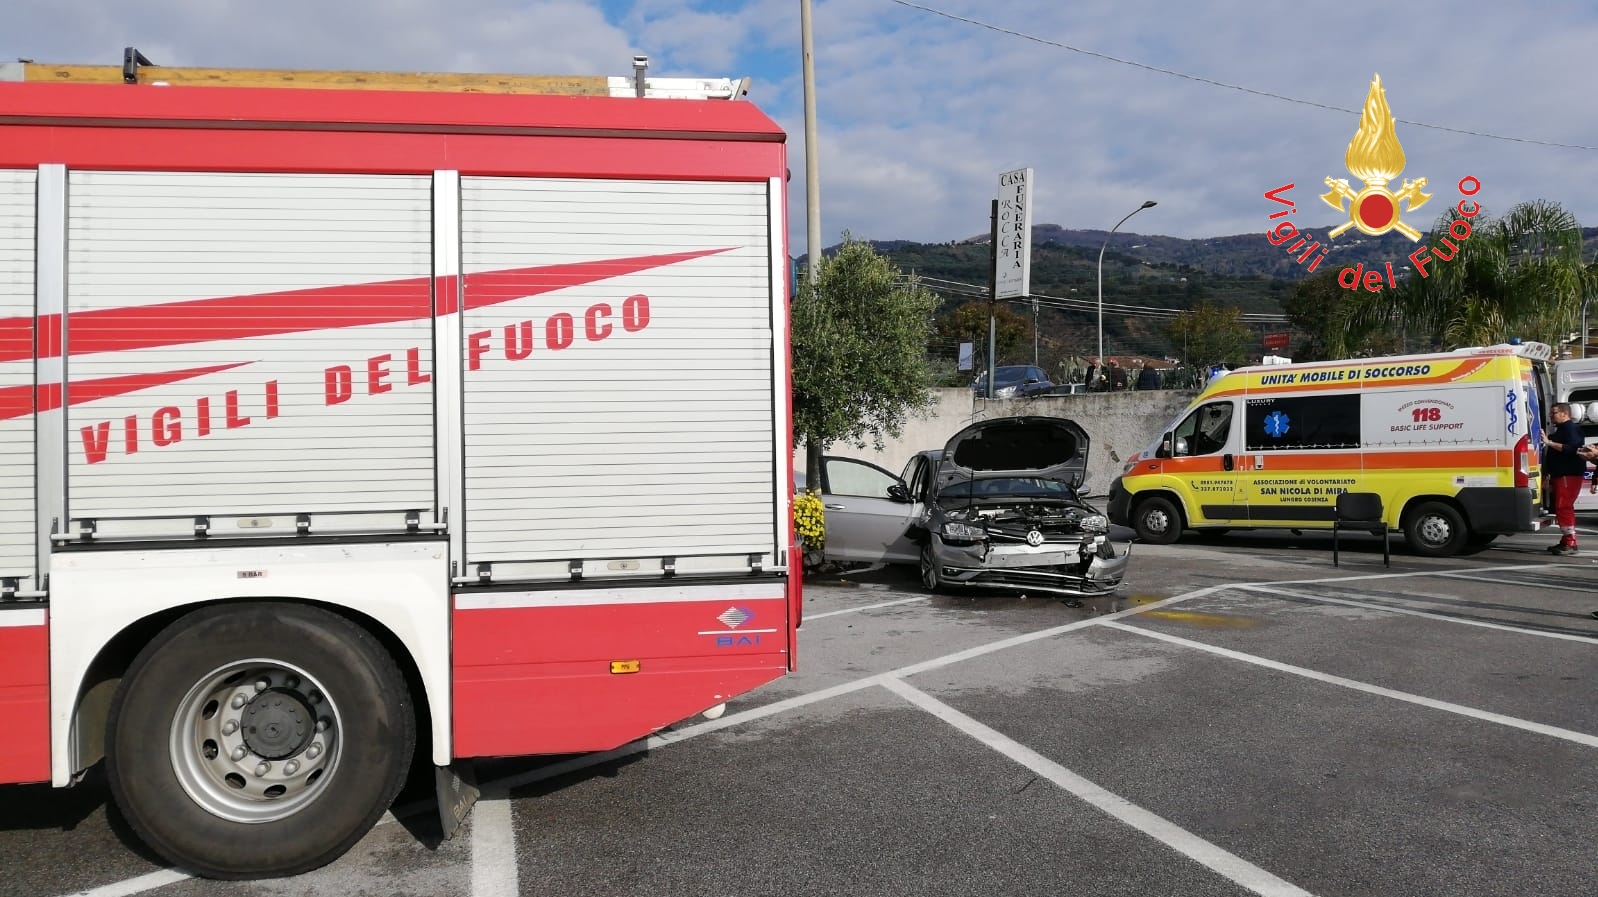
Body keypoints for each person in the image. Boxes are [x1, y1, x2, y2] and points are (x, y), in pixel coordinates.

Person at [1542, 403, 1585, 555]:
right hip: (1562, 475)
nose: (1550, 416)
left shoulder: (1571, 429)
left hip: (1568, 474)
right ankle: (1566, 539)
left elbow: (1572, 448)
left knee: (1563, 506)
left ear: (1564, 413)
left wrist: (1550, 443)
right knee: (1564, 507)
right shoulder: (1562, 429)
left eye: (1554, 413)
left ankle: (1570, 541)